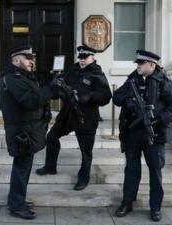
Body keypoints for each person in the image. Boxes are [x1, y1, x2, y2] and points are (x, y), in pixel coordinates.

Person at [113, 50, 172, 222]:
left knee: (155, 171)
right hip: (133, 133)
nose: (138, 66)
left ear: (152, 65)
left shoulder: (163, 82)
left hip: (154, 133)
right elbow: (117, 97)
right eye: (137, 63)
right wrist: (129, 102)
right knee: (131, 170)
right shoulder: (132, 80)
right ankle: (127, 202)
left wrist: (160, 120)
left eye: (141, 64)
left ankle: (155, 207)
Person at [35, 46, 112, 191]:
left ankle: (84, 177)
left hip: (86, 117)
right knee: (52, 136)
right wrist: (58, 90)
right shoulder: (73, 70)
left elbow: (106, 96)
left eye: (85, 57)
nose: (82, 60)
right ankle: (50, 167)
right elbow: (61, 87)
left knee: (85, 151)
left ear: (93, 57)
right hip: (68, 114)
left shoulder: (97, 74)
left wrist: (90, 97)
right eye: (80, 57)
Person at [0, 46, 61, 220]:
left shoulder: (23, 77)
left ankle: (17, 200)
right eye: (27, 57)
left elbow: (37, 95)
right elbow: (31, 100)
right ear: (16, 59)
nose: (32, 61)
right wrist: (50, 88)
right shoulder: (13, 78)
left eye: (32, 57)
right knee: (21, 168)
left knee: (23, 168)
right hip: (21, 132)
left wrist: (52, 88)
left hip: (28, 130)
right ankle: (17, 205)